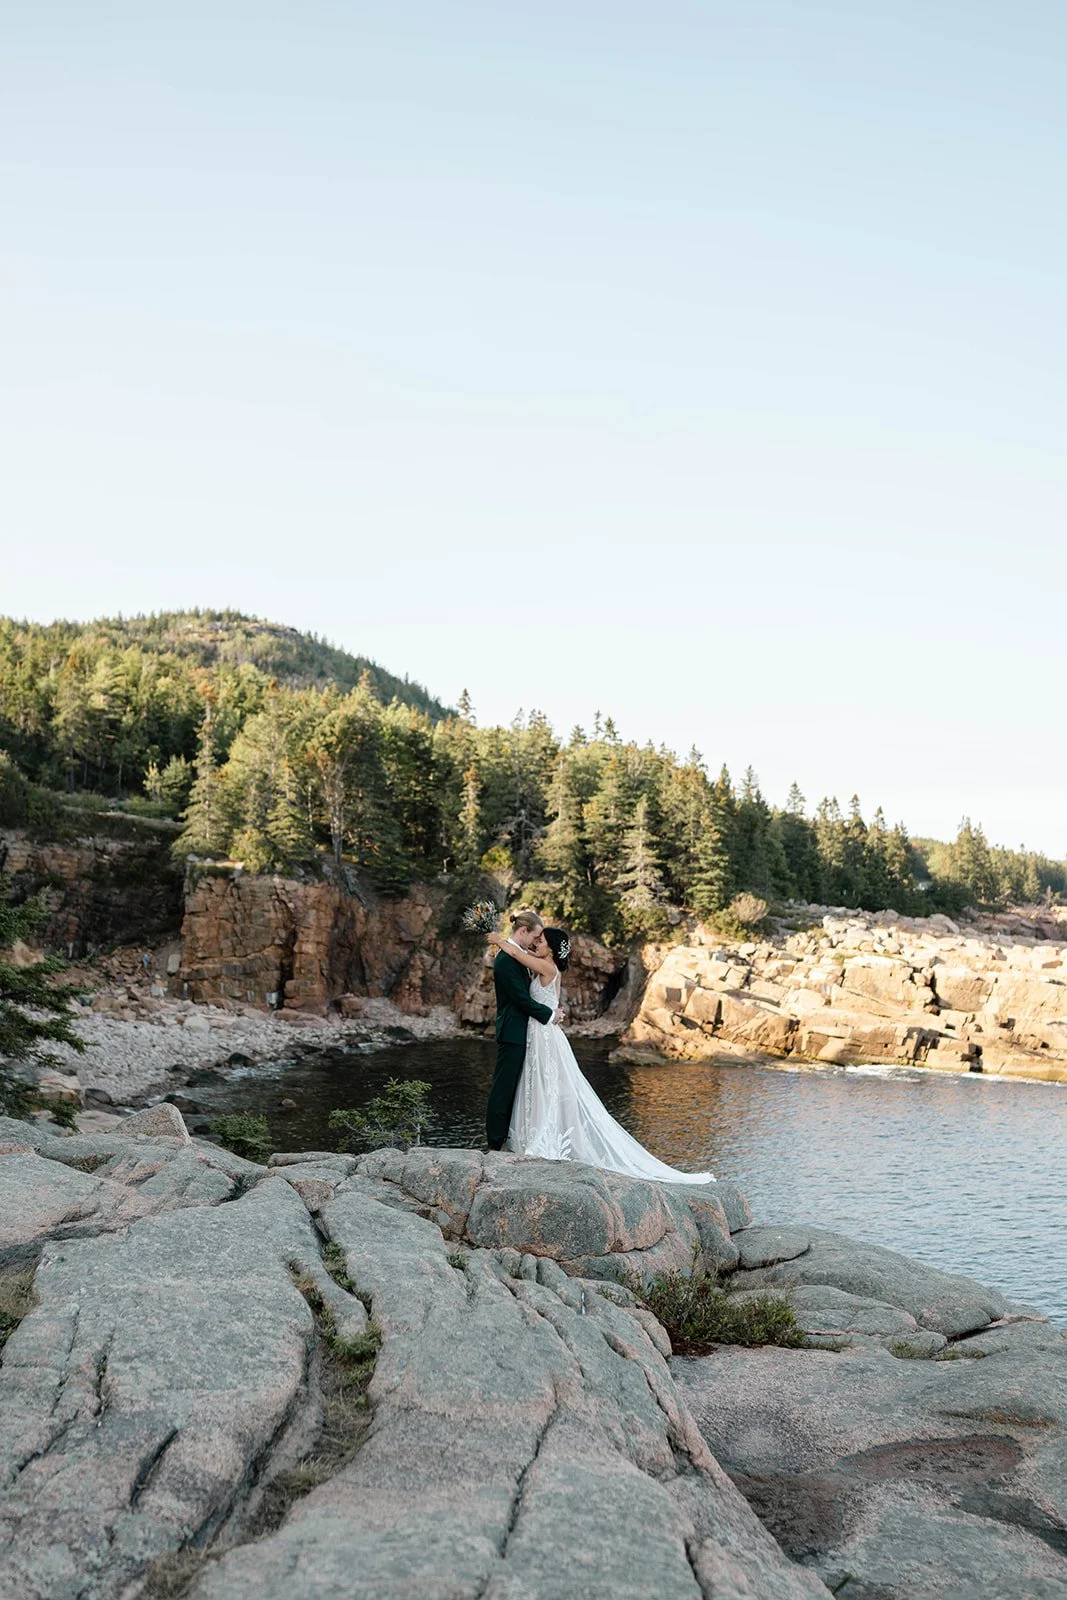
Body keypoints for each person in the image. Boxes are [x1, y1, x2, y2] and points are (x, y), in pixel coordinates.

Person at [485, 924, 714, 1184]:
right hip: (537, 1033)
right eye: (536, 939)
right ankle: (535, 1134)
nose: (536, 943)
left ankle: (543, 1139)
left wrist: (499, 940)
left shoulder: (548, 967)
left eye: (541, 941)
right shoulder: (545, 967)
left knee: (546, 1086)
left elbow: (517, 955)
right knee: (537, 1084)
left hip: (543, 1036)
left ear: (550, 948)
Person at [485, 910, 557, 1150]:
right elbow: (520, 999)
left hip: (523, 1031)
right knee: (503, 1088)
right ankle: (495, 1143)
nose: (536, 942)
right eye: (535, 937)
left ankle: (509, 1137)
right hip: (512, 1031)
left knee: (517, 1088)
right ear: (523, 931)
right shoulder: (505, 960)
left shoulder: (516, 955)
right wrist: (550, 1014)